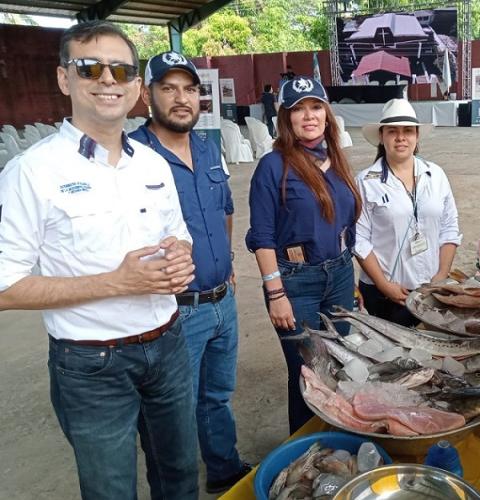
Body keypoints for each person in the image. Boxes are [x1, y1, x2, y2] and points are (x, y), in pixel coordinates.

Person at [0, 21, 198, 499]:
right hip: (91, 363)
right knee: (111, 489)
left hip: (168, 344)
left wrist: (180, 258)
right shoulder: (33, 172)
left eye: (121, 69)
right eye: (90, 67)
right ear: (65, 79)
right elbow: (4, 287)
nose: (108, 80)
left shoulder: (152, 163)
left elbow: (180, 237)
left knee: (180, 477)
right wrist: (117, 282)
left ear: (135, 87)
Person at [129, 52, 251, 494]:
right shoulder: (133, 158)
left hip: (223, 300)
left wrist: (230, 263)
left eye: (190, 89)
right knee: (172, 415)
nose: (182, 99)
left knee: (216, 396)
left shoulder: (207, 147)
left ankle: (223, 467)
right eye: (168, 88)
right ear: (147, 95)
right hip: (174, 312)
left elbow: (226, 212)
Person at [246, 76, 362, 433]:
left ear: (327, 114)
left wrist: (351, 279)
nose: (308, 116)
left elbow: (347, 223)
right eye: (298, 109)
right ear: (286, 118)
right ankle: (305, 447)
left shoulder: (337, 160)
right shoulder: (273, 166)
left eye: (315, 107)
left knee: (340, 364)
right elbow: (262, 237)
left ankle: (336, 437)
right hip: (297, 284)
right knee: (309, 372)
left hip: (340, 275)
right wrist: (276, 293)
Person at [354, 99, 461, 326]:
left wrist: (441, 276)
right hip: (385, 293)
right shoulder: (365, 182)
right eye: (392, 131)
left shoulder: (436, 175)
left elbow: (450, 227)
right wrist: (384, 285)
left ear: (417, 136)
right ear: (381, 137)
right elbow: (358, 239)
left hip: (430, 290)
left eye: (408, 131)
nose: (401, 137)